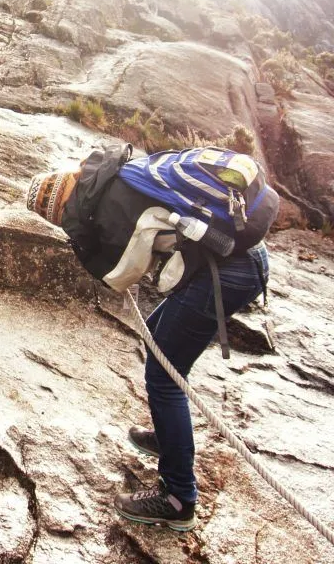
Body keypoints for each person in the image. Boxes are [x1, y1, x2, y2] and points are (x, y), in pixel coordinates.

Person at [26, 144, 269, 532]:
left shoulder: (107, 208)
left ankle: (177, 498)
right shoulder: (120, 174)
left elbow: (125, 273)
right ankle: (170, 438)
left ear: (58, 210)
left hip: (225, 272)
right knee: (157, 336)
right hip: (246, 255)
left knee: (163, 374)